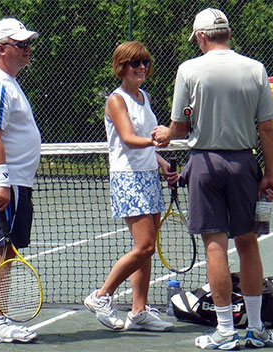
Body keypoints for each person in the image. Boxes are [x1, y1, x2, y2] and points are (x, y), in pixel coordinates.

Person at [152, 8, 273, 350]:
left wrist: (164, 132)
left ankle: (225, 332)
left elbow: (178, 128)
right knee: (249, 243)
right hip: (243, 164)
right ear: (228, 34)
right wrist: (269, 173)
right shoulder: (256, 69)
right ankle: (255, 329)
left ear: (202, 37)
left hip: (205, 163)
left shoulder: (189, 70)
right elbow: (266, 128)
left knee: (215, 246)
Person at [84, 41, 177, 332]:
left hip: (148, 175)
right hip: (128, 178)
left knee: (145, 248)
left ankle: (138, 311)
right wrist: (158, 140)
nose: (141, 68)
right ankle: (101, 296)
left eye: (144, 63)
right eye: (134, 64)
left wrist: (160, 161)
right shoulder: (116, 99)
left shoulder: (144, 96)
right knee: (145, 246)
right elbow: (127, 138)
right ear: (121, 68)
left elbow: (145, 141)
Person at [0, 18, 41, 343]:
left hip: (12, 181)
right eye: (21, 45)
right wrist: (2, 181)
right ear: (2, 49)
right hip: (5, 181)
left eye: (29, 44)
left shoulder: (7, 82)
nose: (28, 50)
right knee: (3, 249)